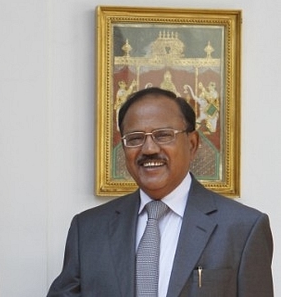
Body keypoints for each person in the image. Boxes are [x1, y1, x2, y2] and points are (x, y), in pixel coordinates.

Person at [47, 87, 273, 296]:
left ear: (192, 144)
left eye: (163, 135)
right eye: (135, 139)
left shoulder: (243, 229)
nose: (149, 149)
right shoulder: (87, 230)